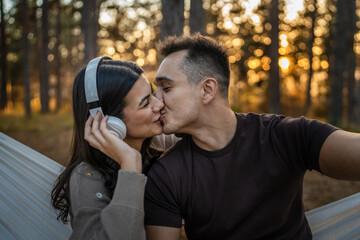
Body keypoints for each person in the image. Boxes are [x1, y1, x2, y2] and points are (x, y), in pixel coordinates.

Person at [85, 34, 360, 239]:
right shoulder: (166, 175)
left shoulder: (288, 135)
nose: (156, 101)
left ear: (207, 90)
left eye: (165, 88)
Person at [51, 57, 167, 240]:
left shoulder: (161, 144)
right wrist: (130, 163)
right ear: (112, 123)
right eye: (146, 103)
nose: (159, 105)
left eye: (153, 94)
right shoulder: (88, 178)